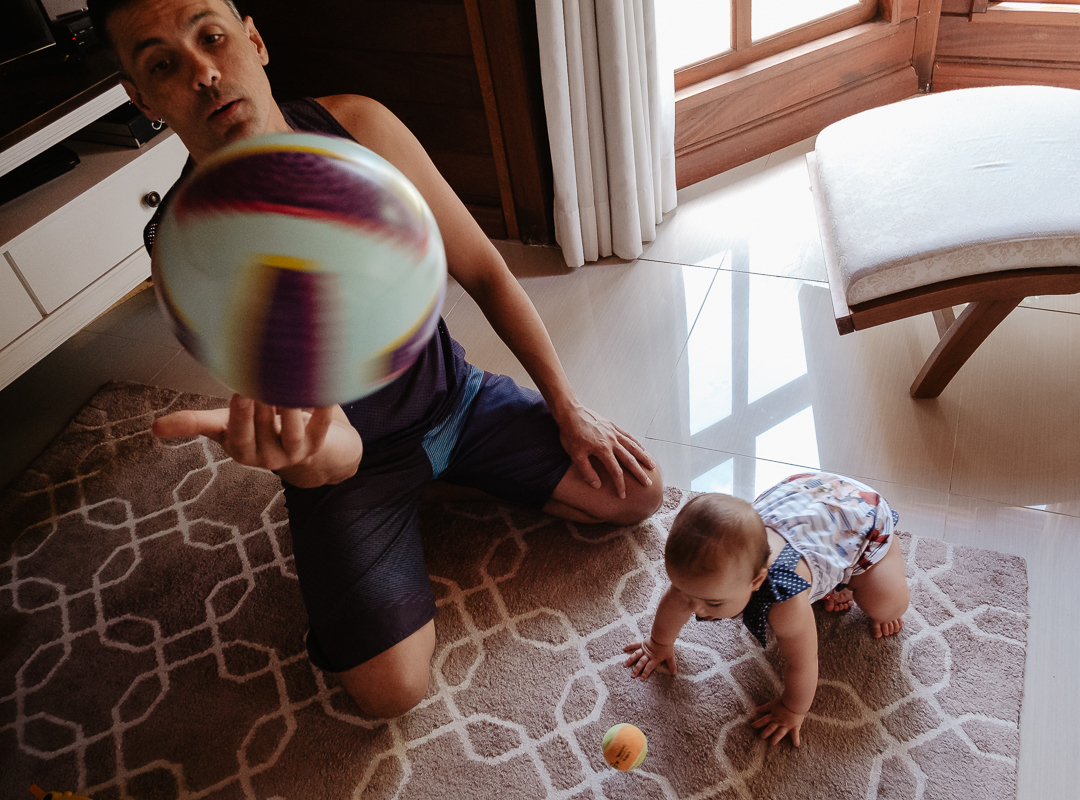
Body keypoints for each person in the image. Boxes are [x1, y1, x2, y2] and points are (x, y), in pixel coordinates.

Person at [91, 0, 663, 719]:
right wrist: (296, 458)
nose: (204, 73)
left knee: (636, 494)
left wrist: (567, 409)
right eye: (163, 64)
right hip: (352, 465)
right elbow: (325, 443)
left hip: (459, 399)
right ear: (139, 98)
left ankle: (444, 478)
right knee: (388, 693)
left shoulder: (358, 124)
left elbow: (484, 270)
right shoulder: (185, 244)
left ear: (255, 41)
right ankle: (413, 498)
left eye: (212, 39)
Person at [623, 472, 909, 747]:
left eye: (713, 603)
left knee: (886, 607)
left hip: (857, 518)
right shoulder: (702, 581)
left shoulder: (785, 604)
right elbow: (675, 602)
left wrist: (792, 709)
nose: (695, 607)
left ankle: (855, 574)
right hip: (802, 499)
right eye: (686, 593)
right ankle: (837, 582)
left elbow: (804, 662)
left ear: (757, 580)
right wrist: (657, 643)